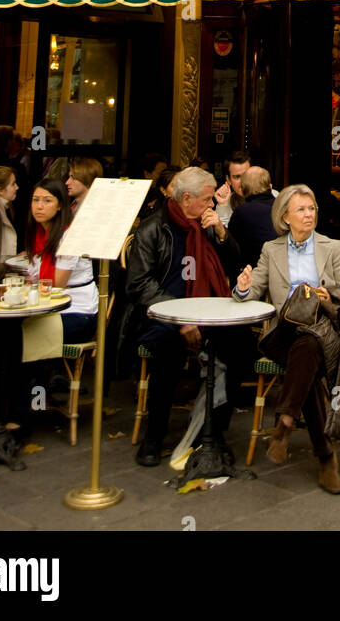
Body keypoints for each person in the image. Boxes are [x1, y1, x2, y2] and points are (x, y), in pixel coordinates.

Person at [234, 184, 340, 493]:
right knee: (307, 354)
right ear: (285, 217)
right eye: (301, 210)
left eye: (311, 208)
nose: (308, 215)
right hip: (280, 334)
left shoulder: (331, 247)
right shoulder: (270, 250)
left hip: (319, 330)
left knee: (310, 348)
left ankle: (287, 420)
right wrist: (244, 287)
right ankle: (324, 457)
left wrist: (332, 295)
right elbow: (252, 292)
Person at [124, 166, 245, 467]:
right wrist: (179, 318)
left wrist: (220, 232)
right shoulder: (153, 229)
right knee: (168, 351)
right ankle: (154, 435)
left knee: (239, 345)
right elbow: (139, 284)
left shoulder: (205, 224)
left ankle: (215, 430)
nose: (211, 205)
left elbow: (235, 263)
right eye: (206, 199)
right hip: (162, 315)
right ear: (187, 198)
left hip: (207, 308)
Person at [25, 179, 98, 342]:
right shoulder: (38, 234)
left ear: (60, 206)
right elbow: (32, 277)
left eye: (47, 200)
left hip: (77, 312)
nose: (39, 206)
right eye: (35, 200)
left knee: (21, 333)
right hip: (47, 308)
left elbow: (56, 285)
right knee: (3, 328)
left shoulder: (69, 237)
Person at [227, 166, 276, 269]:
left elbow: (230, 246)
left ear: (243, 190)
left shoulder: (242, 211)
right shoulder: (283, 207)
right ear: (270, 187)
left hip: (254, 273)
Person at [214, 151, 252, 227]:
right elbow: (222, 235)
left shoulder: (273, 196)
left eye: (246, 175)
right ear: (228, 180)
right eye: (237, 177)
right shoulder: (225, 203)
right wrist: (222, 205)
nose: (243, 181)